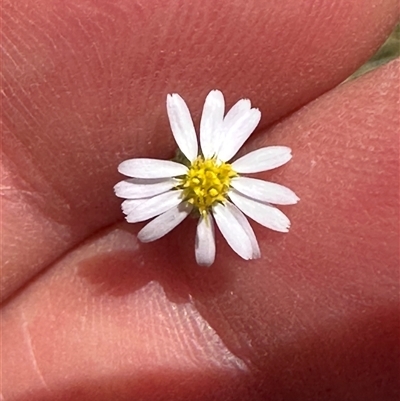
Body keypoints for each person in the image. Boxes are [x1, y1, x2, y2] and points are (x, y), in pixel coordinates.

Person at [1, 1, 399, 400]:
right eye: (207, 180)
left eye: (212, 180)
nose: (209, 181)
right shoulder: (187, 183)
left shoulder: (215, 191)